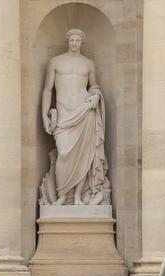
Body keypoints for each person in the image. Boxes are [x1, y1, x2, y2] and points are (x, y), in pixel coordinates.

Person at [41, 28, 110, 205]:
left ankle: (78, 197)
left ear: (82, 42)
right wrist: (44, 115)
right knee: (63, 154)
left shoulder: (88, 64)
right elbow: (48, 89)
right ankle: (62, 194)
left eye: (78, 40)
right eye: (72, 40)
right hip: (64, 113)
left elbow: (94, 87)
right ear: (67, 41)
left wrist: (95, 95)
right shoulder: (56, 62)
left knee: (83, 156)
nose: (74, 43)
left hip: (84, 111)